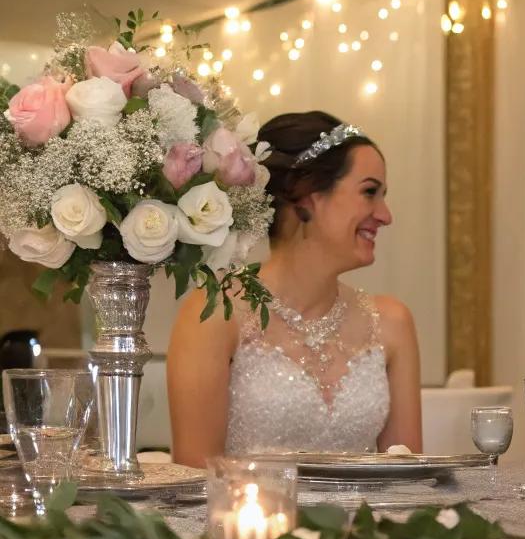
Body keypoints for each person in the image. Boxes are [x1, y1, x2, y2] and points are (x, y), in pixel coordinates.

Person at [169, 112, 422, 465]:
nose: (385, 215)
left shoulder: (392, 324)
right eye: (369, 192)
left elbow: (409, 482)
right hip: (247, 519)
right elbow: (195, 481)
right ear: (307, 196)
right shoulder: (215, 314)